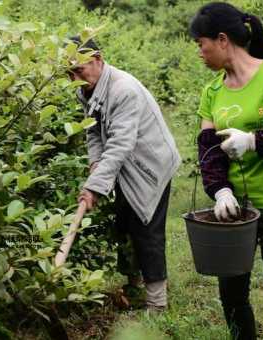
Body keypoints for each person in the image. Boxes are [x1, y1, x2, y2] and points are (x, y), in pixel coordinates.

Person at [189, 2, 263, 339]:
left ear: (222, 39)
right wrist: (221, 191)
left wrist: (254, 140)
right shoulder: (211, 92)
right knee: (232, 298)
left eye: (201, 43)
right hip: (234, 213)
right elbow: (209, 150)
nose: (199, 52)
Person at [68, 37, 181, 310]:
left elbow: (120, 144)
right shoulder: (85, 89)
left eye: (79, 71)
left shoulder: (123, 90)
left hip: (150, 163)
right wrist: (96, 163)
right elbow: (93, 131)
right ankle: (135, 284)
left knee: (146, 228)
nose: (75, 79)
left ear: (97, 59)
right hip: (124, 163)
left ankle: (157, 304)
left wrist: (94, 186)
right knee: (125, 222)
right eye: (69, 74)